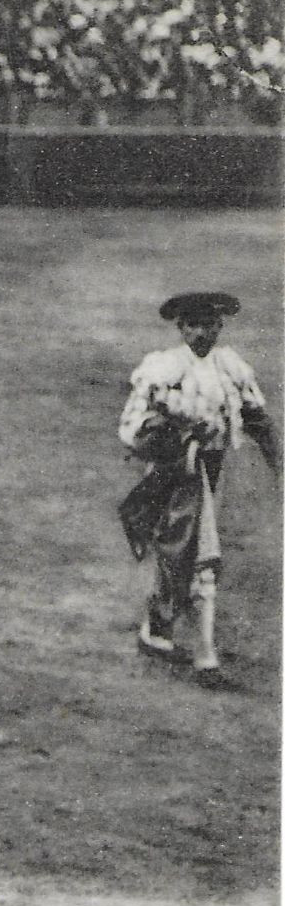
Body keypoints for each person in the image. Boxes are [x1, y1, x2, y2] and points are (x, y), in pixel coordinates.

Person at [117, 292, 280, 689]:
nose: (201, 332)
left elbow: (258, 419)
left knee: (179, 551)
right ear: (180, 327)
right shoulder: (164, 367)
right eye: (193, 324)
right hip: (175, 470)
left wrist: (277, 459)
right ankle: (206, 658)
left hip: (213, 469)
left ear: (220, 326)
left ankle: (157, 630)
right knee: (202, 555)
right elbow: (131, 428)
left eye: (209, 323)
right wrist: (173, 434)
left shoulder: (230, 367)